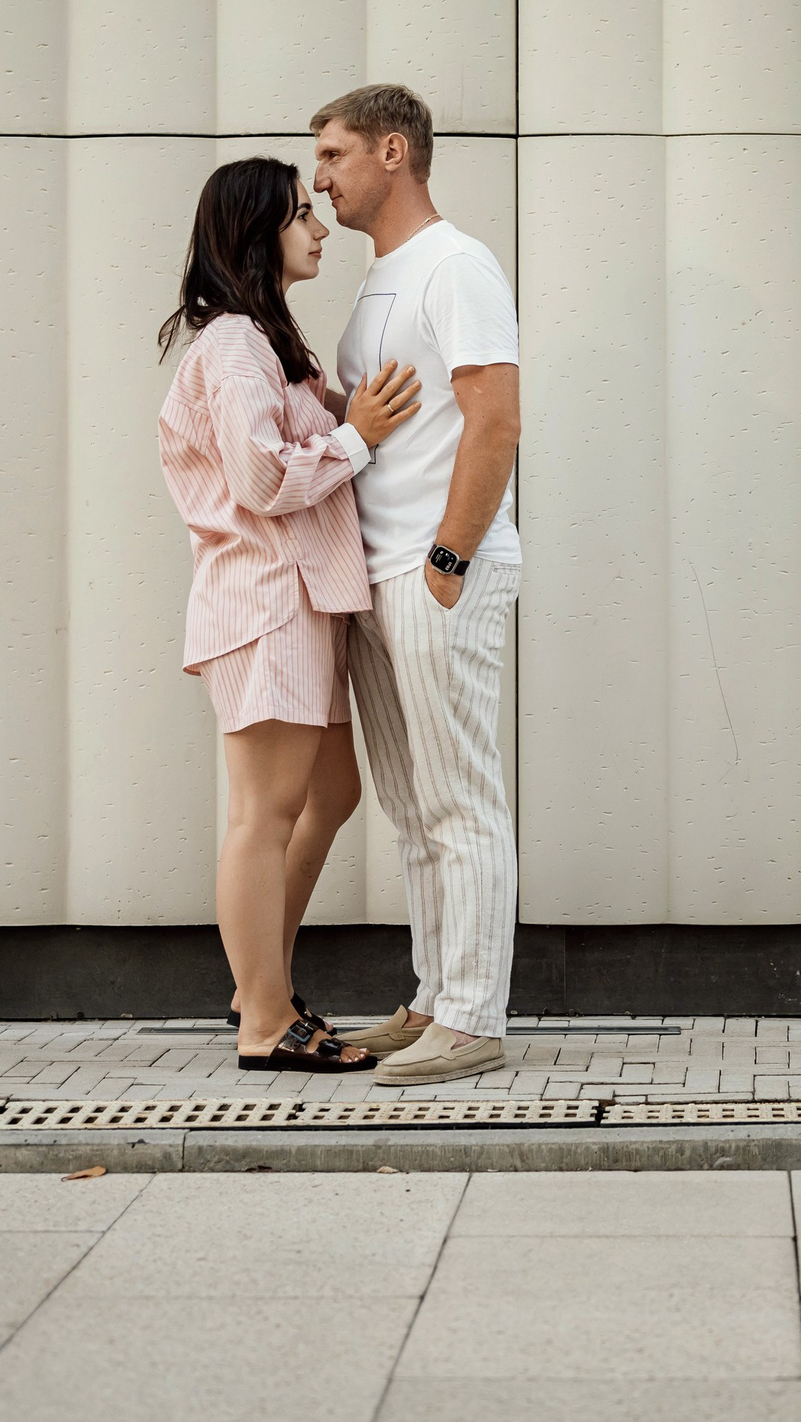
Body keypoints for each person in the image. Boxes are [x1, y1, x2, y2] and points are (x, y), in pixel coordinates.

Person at [157, 156, 422, 1072]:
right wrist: (359, 436)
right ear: (256, 236)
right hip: (265, 606)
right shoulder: (232, 346)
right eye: (301, 215)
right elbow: (265, 479)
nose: (318, 228)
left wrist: (353, 420)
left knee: (332, 793)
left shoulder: (266, 341)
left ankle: (256, 977)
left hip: (304, 605)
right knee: (263, 815)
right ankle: (264, 1021)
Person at [311, 84, 524, 1088]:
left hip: (433, 571)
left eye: (335, 153)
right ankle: (436, 997)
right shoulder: (381, 276)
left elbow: (496, 420)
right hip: (379, 571)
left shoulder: (456, 265)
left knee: (460, 798)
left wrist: (449, 558)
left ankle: (475, 1017)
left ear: (394, 152)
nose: (321, 176)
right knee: (410, 806)